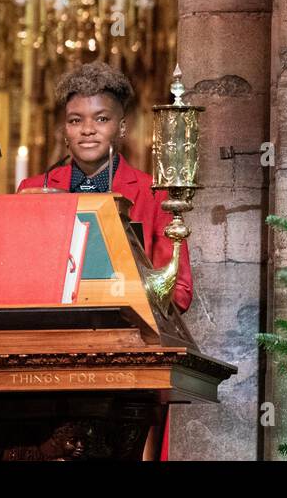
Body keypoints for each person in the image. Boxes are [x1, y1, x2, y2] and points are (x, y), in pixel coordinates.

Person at [15, 62, 193, 314]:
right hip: (49, 330)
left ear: (121, 127)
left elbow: (181, 291)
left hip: (128, 334)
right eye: (75, 120)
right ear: (65, 130)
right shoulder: (31, 189)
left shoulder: (155, 193)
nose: (88, 130)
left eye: (101, 119)